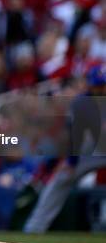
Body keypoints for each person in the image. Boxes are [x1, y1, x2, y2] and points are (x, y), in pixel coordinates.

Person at [23, 64, 106, 233]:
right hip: (91, 151)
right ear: (90, 85)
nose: (101, 89)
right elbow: (76, 137)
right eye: (97, 85)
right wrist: (71, 161)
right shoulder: (81, 103)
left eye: (103, 85)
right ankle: (34, 229)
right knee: (61, 178)